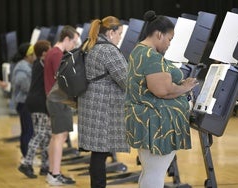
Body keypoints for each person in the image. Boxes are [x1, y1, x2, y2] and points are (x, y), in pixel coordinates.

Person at [125, 10, 198, 188]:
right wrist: (184, 88)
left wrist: (178, 87)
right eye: (169, 39)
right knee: (155, 173)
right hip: (156, 123)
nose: (169, 44)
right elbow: (162, 91)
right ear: (159, 34)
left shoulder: (140, 50)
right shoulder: (150, 55)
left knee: (150, 172)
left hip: (148, 121)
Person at [77, 16, 129, 188]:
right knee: (99, 154)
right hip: (102, 108)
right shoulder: (108, 50)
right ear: (111, 32)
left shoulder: (90, 44)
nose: (120, 37)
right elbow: (126, 80)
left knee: (98, 152)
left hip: (91, 104)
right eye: (119, 33)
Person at [44, 25, 78, 186]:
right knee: (59, 137)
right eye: (73, 42)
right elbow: (64, 79)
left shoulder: (52, 52)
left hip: (54, 99)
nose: (74, 46)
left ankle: (53, 172)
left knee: (57, 136)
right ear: (66, 39)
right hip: (58, 100)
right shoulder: (57, 54)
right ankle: (55, 174)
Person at [18, 40, 52, 178]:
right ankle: (26, 163)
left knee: (45, 135)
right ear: (44, 53)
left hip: (34, 101)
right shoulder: (43, 63)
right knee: (39, 134)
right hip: (39, 103)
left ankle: (45, 166)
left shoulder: (38, 63)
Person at [11, 43, 35, 158]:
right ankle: (26, 157)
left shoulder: (25, 65)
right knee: (28, 131)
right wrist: (33, 88)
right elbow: (21, 83)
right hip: (24, 103)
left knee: (28, 130)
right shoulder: (22, 67)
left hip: (25, 102)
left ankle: (26, 156)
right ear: (28, 55)